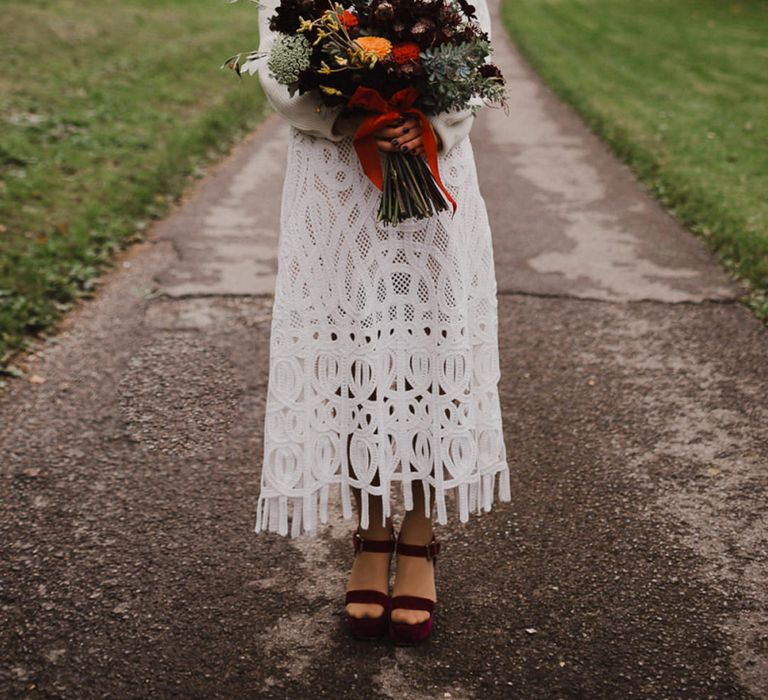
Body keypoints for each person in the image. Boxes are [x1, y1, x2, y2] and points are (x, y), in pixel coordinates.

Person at [252, 0, 510, 645]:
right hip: (334, 181)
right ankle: (370, 533)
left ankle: (419, 537)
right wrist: (350, 120)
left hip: (433, 166)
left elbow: (473, 61)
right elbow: (277, 69)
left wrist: (422, 125)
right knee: (352, 353)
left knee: (428, 343)